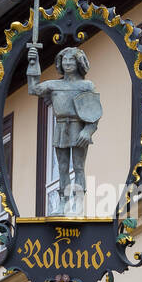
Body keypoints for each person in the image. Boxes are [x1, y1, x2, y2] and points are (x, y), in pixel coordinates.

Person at [26, 44, 102, 215]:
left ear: (78, 63)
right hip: (60, 126)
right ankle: (64, 202)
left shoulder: (86, 86)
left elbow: (94, 112)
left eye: (71, 59)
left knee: (78, 166)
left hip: (78, 127)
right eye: (64, 59)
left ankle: (79, 203)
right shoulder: (53, 85)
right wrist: (33, 63)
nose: (67, 63)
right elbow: (33, 89)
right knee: (62, 167)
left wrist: (88, 130)